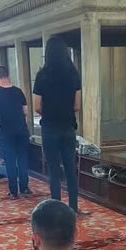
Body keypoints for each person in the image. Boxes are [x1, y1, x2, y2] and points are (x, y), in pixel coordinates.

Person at [33, 36, 82, 214]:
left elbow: (37, 106)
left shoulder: (42, 75)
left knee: (53, 171)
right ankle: (74, 208)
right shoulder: (74, 74)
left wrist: (50, 113)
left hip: (49, 128)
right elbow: (77, 105)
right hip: (68, 126)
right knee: (70, 170)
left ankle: (56, 209)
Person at [0, 65, 32, 200]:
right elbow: (25, 112)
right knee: (22, 159)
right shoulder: (18, 91)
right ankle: (24, 187)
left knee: (10, 161)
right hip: (22, 131)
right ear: (8, 75)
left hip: (6, 132)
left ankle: (13, 191)